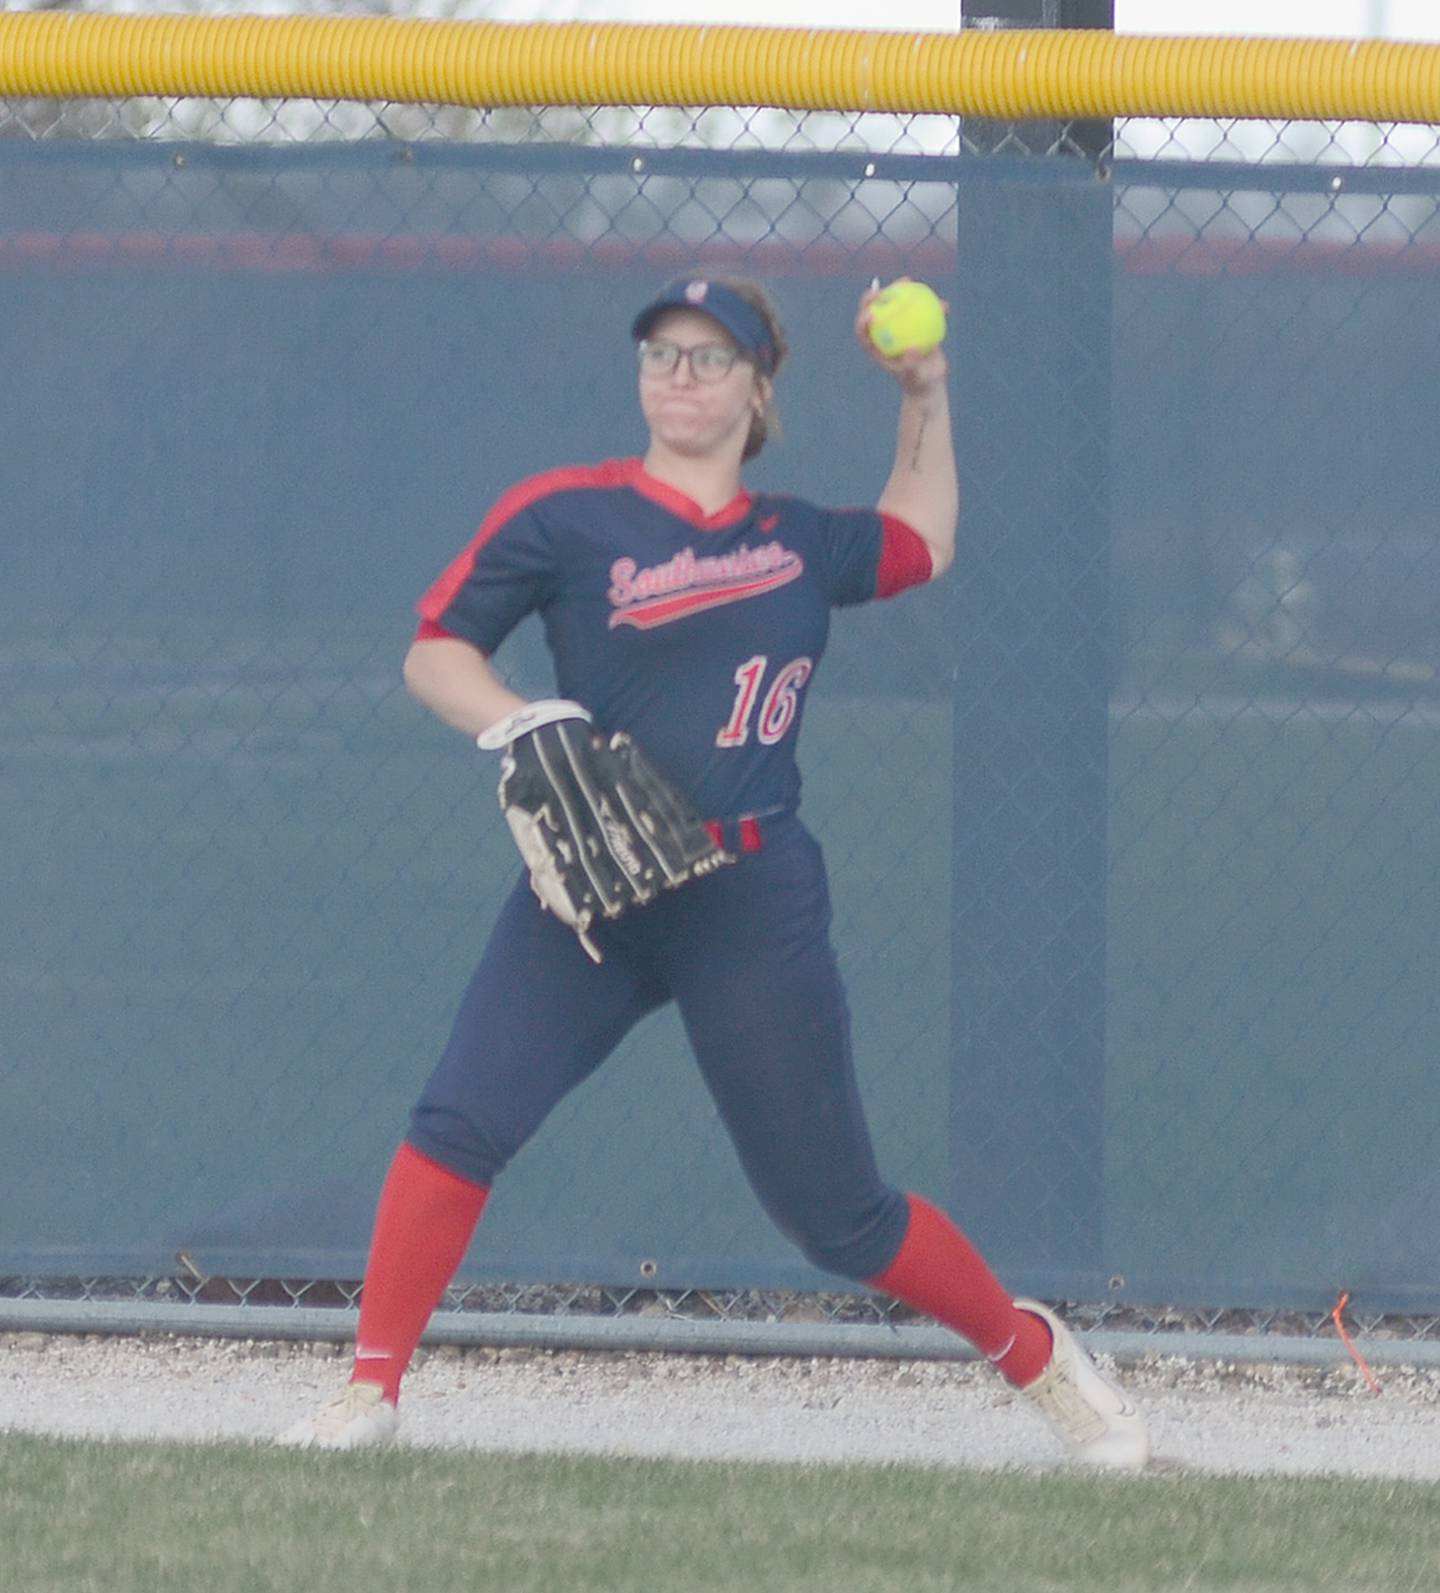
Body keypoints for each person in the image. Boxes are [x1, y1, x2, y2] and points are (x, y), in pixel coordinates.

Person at [280, 274, 1149, 1468]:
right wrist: (523, 722)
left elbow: (924, 538)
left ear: (758, 388)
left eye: (709, 356)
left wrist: (926, 391)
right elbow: (438, 652)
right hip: (596, 885)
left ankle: (1036, 1357)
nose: (679, 376)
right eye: (661, 354)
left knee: (837, 1219)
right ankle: (368, 1394)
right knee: (458, 1119)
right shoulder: (566, 516)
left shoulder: (795, 540)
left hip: (747, 897)